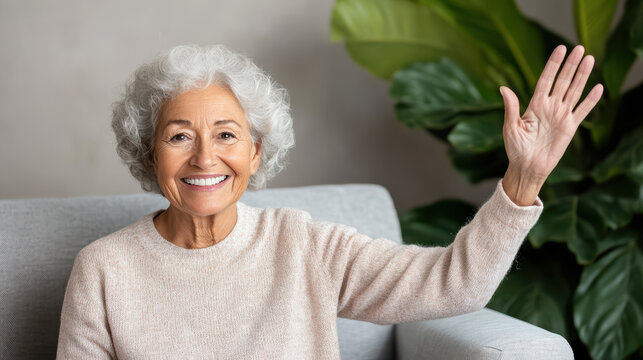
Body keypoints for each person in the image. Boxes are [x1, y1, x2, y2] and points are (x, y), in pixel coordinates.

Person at [56, 44, 602, 359]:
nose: (204, 157)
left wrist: (523, 179)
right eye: (179, 136)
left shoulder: (304, 246)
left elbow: (454, 282)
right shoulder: (105, 269)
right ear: (149, 154)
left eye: (226, 135)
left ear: (256, 150)